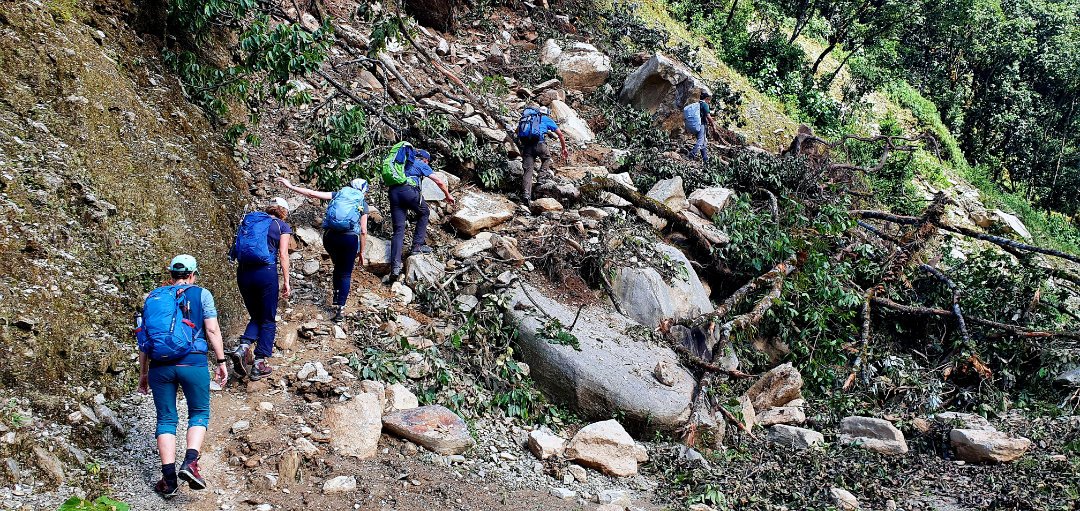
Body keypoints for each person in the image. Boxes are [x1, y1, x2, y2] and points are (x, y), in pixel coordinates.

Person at [136, 255, 228, 499]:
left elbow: (144, 341)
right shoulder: (202, 294)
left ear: (171, 275)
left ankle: (168, 481)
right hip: (193, 361)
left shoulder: (152, 297)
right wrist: (221, 361)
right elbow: (211, 329)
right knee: (198, 413)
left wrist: (143, 373)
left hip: (160, 365)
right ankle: (190, 463)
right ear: (193, 274)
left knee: (166, 419)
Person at [276, 177, 370, 321]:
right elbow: (363, 230)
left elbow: (312, 193)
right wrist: (362, 251)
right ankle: (340, 309)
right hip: (349, 239)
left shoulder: (339, 194)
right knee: (345, 273)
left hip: (330, 238)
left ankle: (336, 296)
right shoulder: (362, 202)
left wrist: (290, 186)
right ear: (363, 190)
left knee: (338, 266)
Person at [227, 197, 292, 380]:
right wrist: (286, 281)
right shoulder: (281, 226)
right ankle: (259, 364)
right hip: (265, 273)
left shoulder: (251, 220)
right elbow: (283, 254)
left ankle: (243, 347)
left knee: (256, 316)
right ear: (283, 211)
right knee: (268, 319)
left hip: (244, 273)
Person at [386, 147, 454, 281]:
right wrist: (448, 195)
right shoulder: (421, 164)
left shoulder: (400, 164)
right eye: (428, 161)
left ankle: (395, 268)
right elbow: (438, 181)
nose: (428, 164)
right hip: (409, 192)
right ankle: (416, 246)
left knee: (398, 231)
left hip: (394, 193)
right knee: (424, 212)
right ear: (425, 159)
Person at [516, 105, 569, 202]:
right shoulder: (546, 119)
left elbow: (518, 131)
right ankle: (540, 178)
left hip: (527, 147)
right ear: (547, 113)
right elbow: (560, 134)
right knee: (546, 158)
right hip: (539, 144)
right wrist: (564, 148)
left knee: (528, 171)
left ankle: (526, 195)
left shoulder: (528, 118)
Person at [683, 91, 716, 163]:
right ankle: (691, 155)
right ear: (706, 98)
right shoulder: (705, 105)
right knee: (700, 141)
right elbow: (708, 116)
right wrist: (713, 126)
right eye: (709, 99)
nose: (709, 101)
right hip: (701, 125)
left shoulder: (698, 104)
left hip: (696, 124)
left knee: (703, 142)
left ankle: (705, 159)